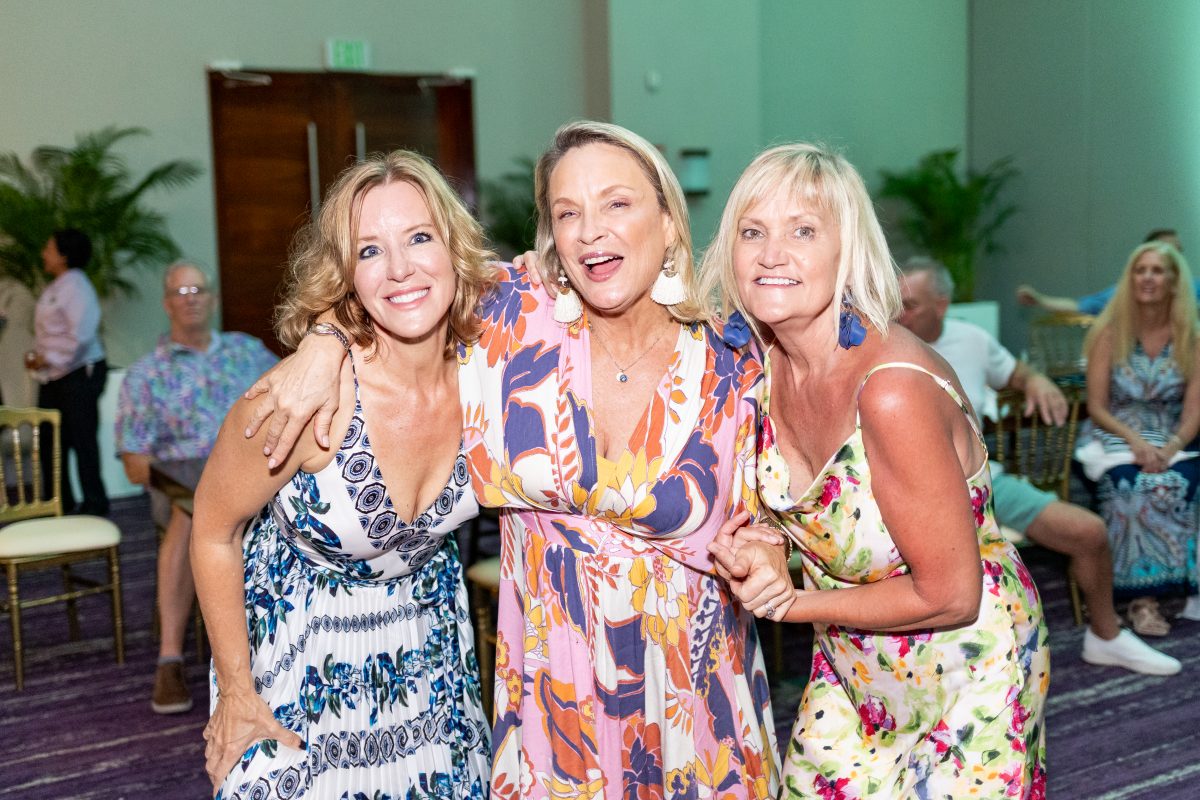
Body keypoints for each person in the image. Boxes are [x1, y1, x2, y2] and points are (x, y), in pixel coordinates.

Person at [242, 122, 779, 799]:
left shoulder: (737, 361)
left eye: (617, 203)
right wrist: (324, 339)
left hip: (692, 693)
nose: (591, 231)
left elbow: (778, 506)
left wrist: (771, 551)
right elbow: (397, 283)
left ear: (669, 221)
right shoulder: (512, 317)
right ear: (552, 238)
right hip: (554, 698)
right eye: (568, 213)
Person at [704, 144, 1048, 798]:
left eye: (802, 231)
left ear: (848, 250)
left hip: (967, 674)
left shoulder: (891, 391)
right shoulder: (761, 366)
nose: (771, 254)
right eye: (753, 232)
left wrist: (790, 602)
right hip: (853, 666)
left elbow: (951, 595)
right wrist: (765, 544)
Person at [191, 151, 492, 798]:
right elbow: (213, 531)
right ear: (345, 274)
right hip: (299, 665)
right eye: (369, 251)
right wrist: (236, 691)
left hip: (430, 660)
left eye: (420, 237)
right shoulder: (301, 402)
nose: (401, 268)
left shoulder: (493, 369)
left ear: (455, 247)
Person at [898, 256, 1180, 673]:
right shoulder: (878, 347)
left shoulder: (972, 340)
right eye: (894, 303)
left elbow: (1015, 372)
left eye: (910, 305)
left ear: (941, 305)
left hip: (981, 482)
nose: (898, 314)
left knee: (1088, 532)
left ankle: (1106, 637)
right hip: (907, 493)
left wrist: (1037, 380)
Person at [115, 261, 278, 714]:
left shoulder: (248, 353)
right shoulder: (146, 374)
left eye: (198, 290)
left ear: (213, 299)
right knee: (194, 514)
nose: (190, 299)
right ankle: (170, 658)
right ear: (167, 304)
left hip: (254, 481)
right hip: (179, 492)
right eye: (180, 292)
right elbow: (133, 465)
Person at [1077, 241, 1200, 635]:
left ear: (1174, 282)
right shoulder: (1109, 333)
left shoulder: (1192, 338)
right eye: (1140, 270)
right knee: (1132, 488)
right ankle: (1141, 601)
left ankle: (1183, 590)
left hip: (1172, 436)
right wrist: (1136, 442)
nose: (1147, 278)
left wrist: (1170, 447)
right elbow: (1096, 407)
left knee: (1176, 482)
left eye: (1157, 271)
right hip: (1112, 433)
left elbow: (1194, 412)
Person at [26, 228, 109, 515]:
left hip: (78, 373)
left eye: (48, 249)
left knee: (82, 440)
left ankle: (94, 505)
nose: (43, 254)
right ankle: (59, 503)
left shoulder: (77, 287)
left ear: (63, 255)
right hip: (53, 374)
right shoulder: (57, 286)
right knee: (51, 439)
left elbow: (80, 338)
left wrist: (47, 359)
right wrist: (42, 360)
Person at [1017, 228, 1200, 314]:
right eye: (1168, 253)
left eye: (1179, 252)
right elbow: (1078, 306)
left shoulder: (1194, 288)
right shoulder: (1128, 291)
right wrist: (1040, 299)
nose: (1176, 258)